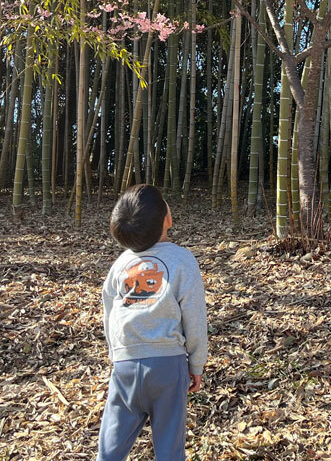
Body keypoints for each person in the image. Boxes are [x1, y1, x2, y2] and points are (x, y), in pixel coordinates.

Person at [97, 184, 208, 461]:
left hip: (125, 365)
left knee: (111, 445)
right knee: (170, 446)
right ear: (166, 219)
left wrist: (116, 356)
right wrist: (197, 363)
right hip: (167, 365)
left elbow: (109, 314)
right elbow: (194, 316)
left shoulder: (120, 265)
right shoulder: (182, 259)